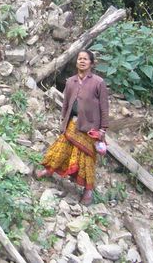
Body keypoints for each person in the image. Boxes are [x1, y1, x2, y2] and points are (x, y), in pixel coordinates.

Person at [36, 49, 109, 205]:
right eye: (79, 59)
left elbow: (104, 108)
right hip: (72, 123)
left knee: (86, 160)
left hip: (90, 128)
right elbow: (66, 103)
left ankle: (87, 191)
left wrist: (102, 129)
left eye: (85, 59)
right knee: (61, 148)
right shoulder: (71, 81)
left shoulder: (98, 83)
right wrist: (63, 120)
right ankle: (49, 170)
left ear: (91, 63)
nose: (82, 61)